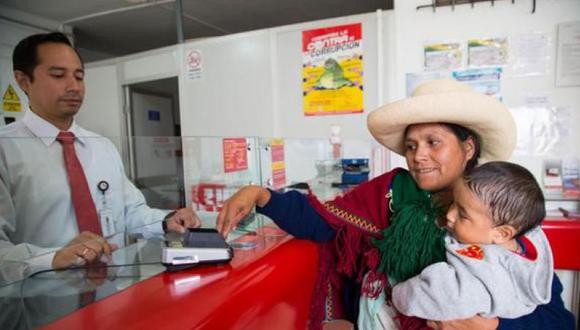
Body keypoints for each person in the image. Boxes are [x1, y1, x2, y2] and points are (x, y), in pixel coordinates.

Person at [217, 79, 575, 330]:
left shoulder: (503, 211)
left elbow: (557, 320)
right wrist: (260, 195)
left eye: (434, 142)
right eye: (411, 145)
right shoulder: (389, 192)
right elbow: (321, 222)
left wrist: (494, 327)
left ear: (468, 148)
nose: (419, 157)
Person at [0, 32, 201, 277]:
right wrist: (52, 258)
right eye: (58, 75)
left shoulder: (101, 146)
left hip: (109, 296)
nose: (74, 86)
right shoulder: (6, 150)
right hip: (40, 302)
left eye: (79, 76)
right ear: (23, 80)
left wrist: (167, 220)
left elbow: (130, 212)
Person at [391, 161, 553, 322]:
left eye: (462, 214)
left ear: (501, 233)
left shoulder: (484, 272)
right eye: (454, 202)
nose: (450, 215)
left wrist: (397, 293)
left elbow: (438, 296)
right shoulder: (521, 241)